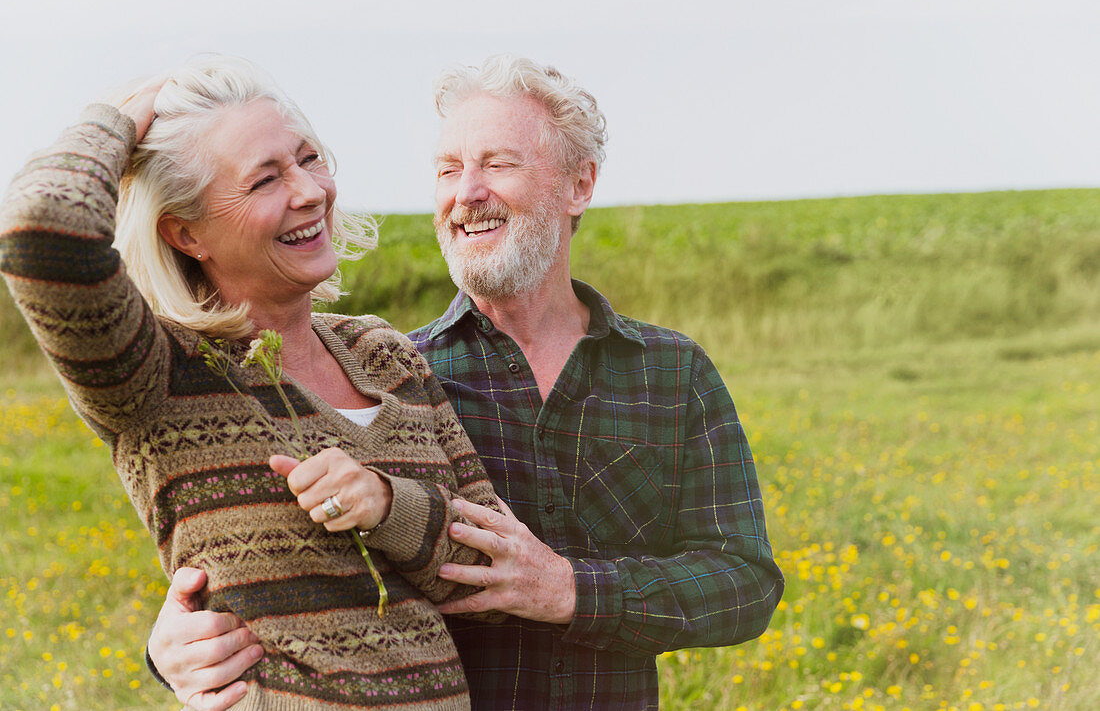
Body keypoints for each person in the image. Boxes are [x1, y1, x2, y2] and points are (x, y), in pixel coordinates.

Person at [148, 55, 785, 711]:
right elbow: (273, 562)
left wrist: (571, 588)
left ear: (579, 184)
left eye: (497, 164)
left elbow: (745, 583)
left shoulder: (671, 373)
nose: (466, 192)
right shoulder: (387, 384)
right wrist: (175, 643)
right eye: (448, 170)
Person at [0, 55, 508, 710]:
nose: (309, 191)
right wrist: (124, 115)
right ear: (185, 232)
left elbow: (497, 568)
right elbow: (42, 227)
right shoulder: (153, 372)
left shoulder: (381, 350)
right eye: (264, 179)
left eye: (307, 158)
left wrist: (386, 502)